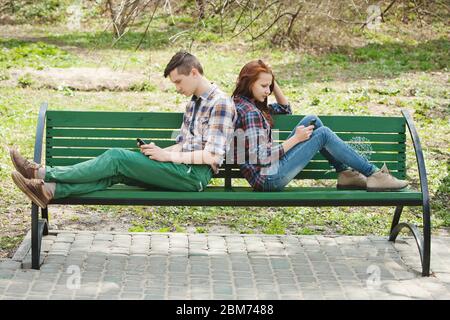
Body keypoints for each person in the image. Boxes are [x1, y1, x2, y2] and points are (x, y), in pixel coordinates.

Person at [9, 51, 236, 208]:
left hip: (193, 176)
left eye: (178, 82)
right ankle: (49, 191)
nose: (177, 88)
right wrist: (160, 151)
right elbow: (184, 142)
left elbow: (212, 155)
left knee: (117, 157)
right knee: (116, 172)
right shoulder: (193, 103)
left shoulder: (220, 103)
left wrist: (168, 156)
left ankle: (41, 172)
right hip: (180, 168)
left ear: (194, 72)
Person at [232, 59, 408, 192]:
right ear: (248, 83)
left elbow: (285, 109)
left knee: (312, 120)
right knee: (322, 133)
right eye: (263, 86)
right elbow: (261, 157)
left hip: (268, 171)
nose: (268, 91)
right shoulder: (250, 113)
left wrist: (270, 78)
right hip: (268, 178)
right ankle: (374, 174)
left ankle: (344, 173)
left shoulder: (247, 104)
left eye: (269, 86)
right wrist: (295, 139)